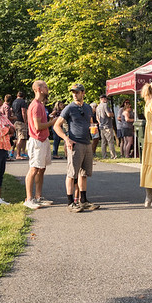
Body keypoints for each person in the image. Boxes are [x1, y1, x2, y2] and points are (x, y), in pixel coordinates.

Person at [53, 83, 99, 212]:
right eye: (73, 92)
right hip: (75, 144)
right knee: (72, 174)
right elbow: (57, 125)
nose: (75, 94)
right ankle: (70, 202)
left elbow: (90, 123)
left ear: (83, 93)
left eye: (77, 92)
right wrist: (66, 138)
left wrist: (93, 129)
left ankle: (83, 201)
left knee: (84, 174)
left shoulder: (88, 108)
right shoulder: (69, 108)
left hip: (86, 143)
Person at [24, 80, 58, 209]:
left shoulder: (41, 105)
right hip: (37, 140)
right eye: (45, 86)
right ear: (38, 89)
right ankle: (29, 198)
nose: (47, 88)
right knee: (34, 169)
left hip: (43, 139)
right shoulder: (36, 105)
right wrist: (52, 122)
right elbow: (37, 126)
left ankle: (38, 197)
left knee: (41, 168)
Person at [96, 94, 117, 159]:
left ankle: (104, 156)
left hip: (101, 126)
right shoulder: (105, 105)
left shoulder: (98, 107)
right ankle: (113, 156)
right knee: (110, 142)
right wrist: (112, 114)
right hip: (107, 126)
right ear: (103, 99)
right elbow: (108, 114)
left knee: (103, 142)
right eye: (106, 99)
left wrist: (100, 123)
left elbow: (97, 117)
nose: (106, 100)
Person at [11, 90, 29, 160]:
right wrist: (25, 121)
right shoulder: (22, 102)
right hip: (21, 121)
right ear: (23, 96)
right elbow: (23, 111)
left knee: (21, 137)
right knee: (21, 138)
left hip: (15, 121)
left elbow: (12, 111)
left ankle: (22, 152)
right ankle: (18, 154)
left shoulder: (14, 102)